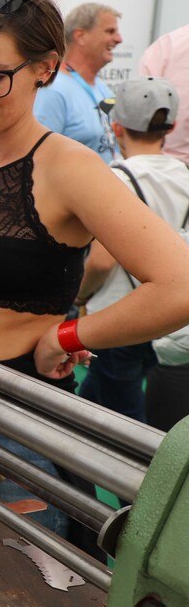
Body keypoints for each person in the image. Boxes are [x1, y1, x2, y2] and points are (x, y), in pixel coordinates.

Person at [0, 0, 189, 550]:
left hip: (15, 418)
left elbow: (179, 286)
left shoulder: (70, 168)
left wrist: (68, 334)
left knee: (20, 589)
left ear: (44, 67)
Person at [76, 77, 189, 424]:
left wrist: (79, 299)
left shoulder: (114, 179)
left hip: (118, 319)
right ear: (168, 128)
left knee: (125, 422)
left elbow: (100, 262)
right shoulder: (184, 173)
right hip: (165, 319)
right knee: (93, 399)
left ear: (117, 127)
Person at [34, 2, 123, 163]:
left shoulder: (103, 89)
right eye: (110, 31)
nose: (119, 39)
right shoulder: (52, 89)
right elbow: (38, 156)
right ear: (80, 36)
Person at [140, 24, 189, 165]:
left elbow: (141, 111)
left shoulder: (167, 45)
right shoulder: (167, 46)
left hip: (162, 168)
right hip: (165, 166)